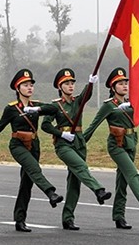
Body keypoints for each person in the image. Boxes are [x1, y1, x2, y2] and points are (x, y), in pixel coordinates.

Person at [0, 69, 63, 232]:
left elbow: (54, 109)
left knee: (26, 183)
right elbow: (0, 126)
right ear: (18, 89)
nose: (29, 88)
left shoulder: (36, 105)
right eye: (25, 85)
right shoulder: (11, 108)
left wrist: (36, 110)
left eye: (31, 85)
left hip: (34, 145)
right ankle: (51, 193)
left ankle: (20, 220)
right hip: (18, 145)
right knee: (34, 169)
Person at [83, 67, 139, 229]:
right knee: (132, 173)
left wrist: (135, 100)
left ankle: (119, 216)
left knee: (122, 182)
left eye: (126, 83)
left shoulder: (131, 103)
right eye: (120, 83)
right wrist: (80, 142)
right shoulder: (109, 105)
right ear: (113, 87)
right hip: (116, 144)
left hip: (131, 142)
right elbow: (93, 125)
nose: (124, 86)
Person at [41, 68, 111, 230]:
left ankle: (68, 218)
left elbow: (86, 96)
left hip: (79, 143)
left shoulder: (77, 101)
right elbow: (45, 125)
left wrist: (91, 83)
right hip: (63, 145)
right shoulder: (54, 105)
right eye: (66, 83)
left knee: (74, 183)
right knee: (81, 167)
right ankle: (98, 190)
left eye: (72, 83)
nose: (70, 85)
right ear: (60, 87)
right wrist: (61, 134)